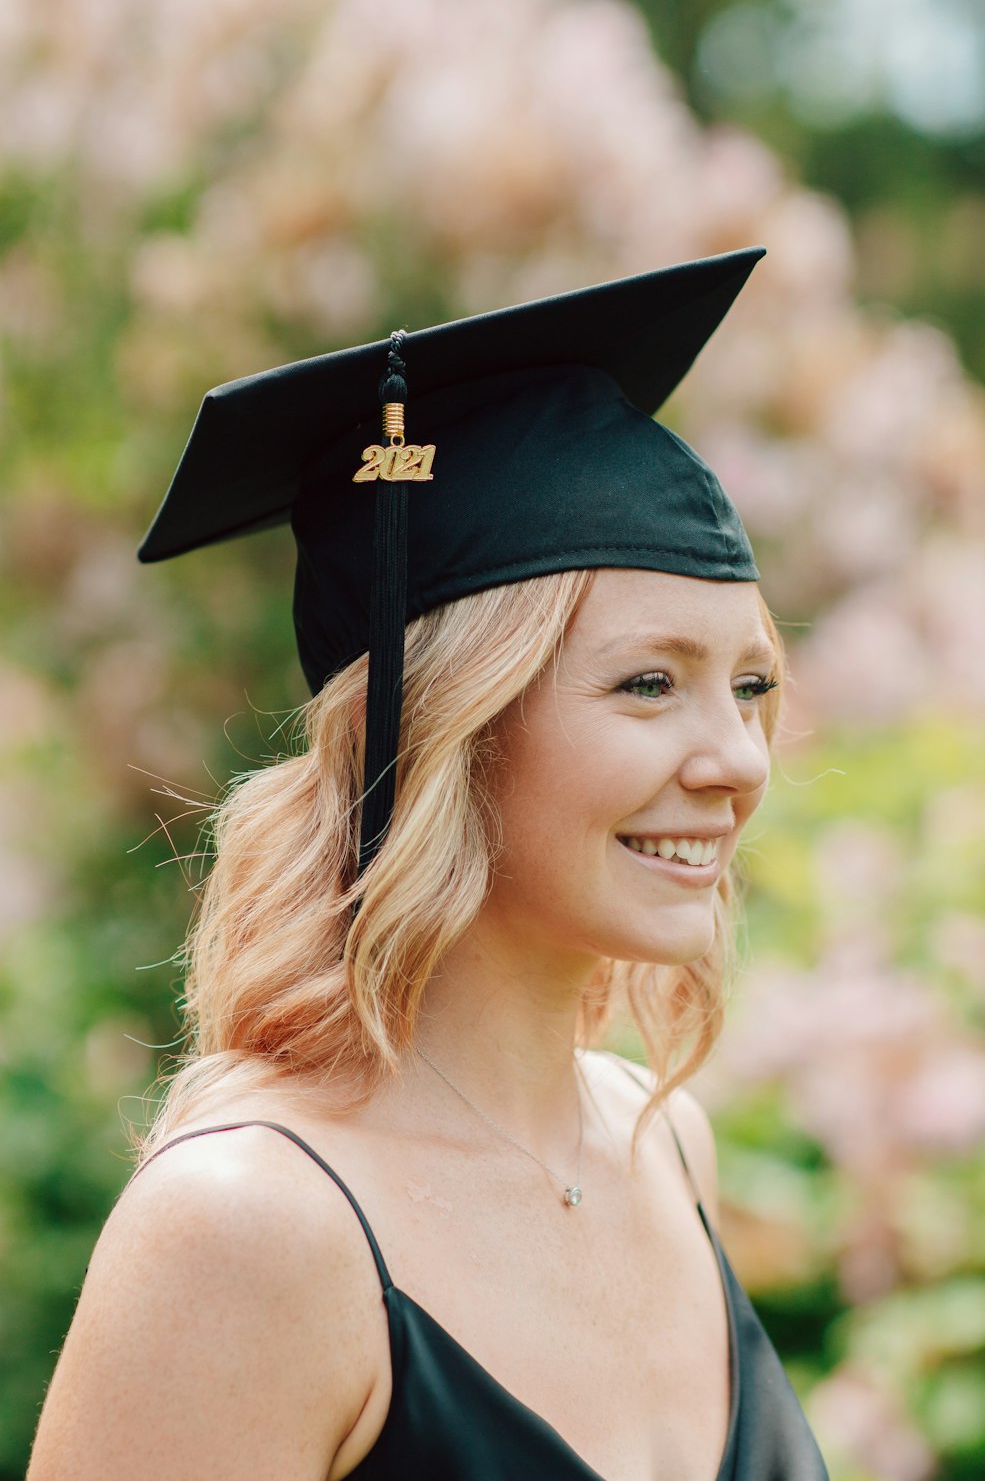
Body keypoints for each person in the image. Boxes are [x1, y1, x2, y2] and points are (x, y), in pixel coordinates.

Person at [28, 248, 829, 1479]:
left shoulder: (660, 1145)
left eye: (752, 685)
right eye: (649, 683)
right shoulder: (252, 1230)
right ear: (450, 727)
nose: (735, 758)